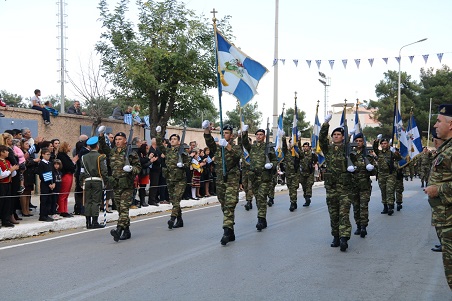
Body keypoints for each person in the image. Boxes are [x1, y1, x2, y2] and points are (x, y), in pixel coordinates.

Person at [424, 104, 452, 289]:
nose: (435, 125)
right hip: (444, 220)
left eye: (439, 121)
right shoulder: (446, 148)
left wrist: (438, 190)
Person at [204, 121, 241, 245]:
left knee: (230, 205)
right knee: (224, 205)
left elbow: (237, 156)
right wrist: (206, 130)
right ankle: (231, 230)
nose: (224, 135)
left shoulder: (235, 147)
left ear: (231, 136)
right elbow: (209, 142)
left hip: (231, 180)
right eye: (223, 133)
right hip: (220, 180)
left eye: (226, 133)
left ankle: (226, 231)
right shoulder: (218, 147)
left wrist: (228, 146)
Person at [319, 114, 353, 252]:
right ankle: (336, 236)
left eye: (339, 134)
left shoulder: (347, 149)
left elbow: (357, 163)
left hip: (345, 187)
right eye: (334, 134)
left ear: (343, 137)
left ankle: (344, 237)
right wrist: (326, 124)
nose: (336, 136)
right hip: (331, 187)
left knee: (344, 213)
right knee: (333, 213)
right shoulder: (329, 150)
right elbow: (321, 139)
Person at [104, 131, 141, 241]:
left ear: (125, 141)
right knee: (120, 209)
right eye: (116, 139)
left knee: (124, 209)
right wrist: (101, 136)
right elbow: (103, 147)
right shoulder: (113, 152)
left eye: (120, 139)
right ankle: (127, 231)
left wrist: (131, 169)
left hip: (127, 185)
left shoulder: (131, 153)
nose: (117, 141)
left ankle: (118, 230)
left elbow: (138, 168)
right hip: (116, 184)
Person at [241, 125, 277, 231]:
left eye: (261, 135)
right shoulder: (252, 147)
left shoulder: (269, 148)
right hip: (254, 177)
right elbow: (244, 142)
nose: (258, 136)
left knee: (261, 197)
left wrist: (271, 165)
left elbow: (275, 160)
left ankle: (260, 220)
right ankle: (263, 219)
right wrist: (245, 132)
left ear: (264, 136)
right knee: (257, 198)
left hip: (265, 177)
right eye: (257, 135)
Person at [156, 126, 190, 229]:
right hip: (170, 178)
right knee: (173, 200)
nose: (173, 140)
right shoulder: (168, 151)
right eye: (171, 139)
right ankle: (180, 220)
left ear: (179, 142)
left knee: (176, 199)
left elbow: (188, 164)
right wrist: (158, 134)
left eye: (175, 139)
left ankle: (172, 218)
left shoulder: (183, 152)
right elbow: (159, 144)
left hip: (180, 179)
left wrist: (183, 165)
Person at [80, 136, 109, 229]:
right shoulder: (101, 156)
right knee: (96, 201)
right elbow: (103, 170)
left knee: (88, 201)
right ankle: (95, 222)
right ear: (97, 146)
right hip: (97, 180)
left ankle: (88, 222)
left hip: (87, 181)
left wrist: (81, 181)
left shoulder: (83, 157)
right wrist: (106, 181)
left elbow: (81, 171)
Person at [350, 133, 375, 238]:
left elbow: (374, 172)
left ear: (363, 142)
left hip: (364, 185)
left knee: (363, 206)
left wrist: (371, 168)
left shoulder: (368, 155)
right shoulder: (350, 155)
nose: (358, 143)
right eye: (357, 141)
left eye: (360, 141)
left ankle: (364, 226)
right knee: (356, 207)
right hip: (353, 185)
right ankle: (358, 225)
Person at [373, 136, 402, 215]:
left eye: (385, 143)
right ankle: (385, 206)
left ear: (388, 144)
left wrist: (396, 153)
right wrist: (376, 140)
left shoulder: (391, 152)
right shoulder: (379, 152)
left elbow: (399, 158)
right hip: (381, 174)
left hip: (390, 174)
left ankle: (390, 206)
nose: (383, 145)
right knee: (383, 191)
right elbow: (374, 147)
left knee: (389, 190)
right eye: (382, 144)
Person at [430, 130, 446, 253]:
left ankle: (444, 244)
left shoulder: (446, 154)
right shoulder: (439, 154)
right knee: (437, 221)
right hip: (437, 197)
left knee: (442, 222)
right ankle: (442, 243)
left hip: (443, 196)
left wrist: (437, 189)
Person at [0, 144, 19, 227]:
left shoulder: (7, 161)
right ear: (2, 152)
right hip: (1, 185)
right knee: (1, 203)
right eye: (6, 151)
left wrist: (13, 170)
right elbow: (1, 175)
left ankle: (6, 220)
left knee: (7, 203)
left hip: (8, 184)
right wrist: (10, 170)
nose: (8, 152)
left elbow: (13, 174)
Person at [56, 142, 77, 217]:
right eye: (68, 145)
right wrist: (73, 163)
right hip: (66, 176)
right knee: (63, 194)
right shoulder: (62, 156)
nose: (70, 147)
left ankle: (65, 209)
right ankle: (62, 210)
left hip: (69, 175)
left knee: (66, 194)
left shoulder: (64, 156)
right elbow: (69, 166)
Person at [282, 135, 301, 212]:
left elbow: (301, 155)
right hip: (288, 174)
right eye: (290, 143)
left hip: (295, 173)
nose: (291, 144)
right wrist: (283, 139)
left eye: (292, 143)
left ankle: (292, 203)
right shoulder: (286, 152)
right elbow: (283, 146)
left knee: (293, 188)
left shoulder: (297, 152)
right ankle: (294, 201)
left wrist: (298, 142)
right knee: (290, 188)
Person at [37, 148, 55, 222]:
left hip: (50, 183)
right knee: (44, 200)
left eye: (49, 154)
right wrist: (49, 183)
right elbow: (42, 175)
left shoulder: (50, 163)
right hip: (45, 184)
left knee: (49, 200)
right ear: (43, 155)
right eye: (47, 154)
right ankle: (42, 215)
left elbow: (52, 173)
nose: (48, 156)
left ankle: (47, 214)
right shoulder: (41, 164)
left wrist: (53, 182)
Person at [299, 142, 318, 207]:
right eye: (304, 146)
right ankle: (306, 197)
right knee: (304, 186)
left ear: (309, 147)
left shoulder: (312, 154)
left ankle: (308, 198)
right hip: (302, 173)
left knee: (309, 185)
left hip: (310, 172)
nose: (305, 148)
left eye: (306, 146)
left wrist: (313, 165)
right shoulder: (301, 154)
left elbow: (316, 160)